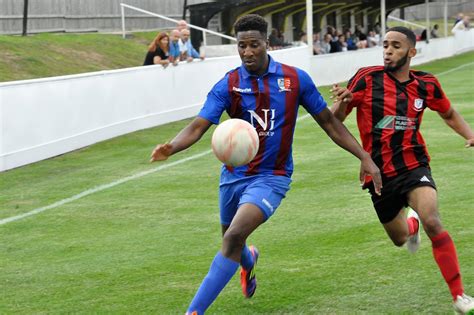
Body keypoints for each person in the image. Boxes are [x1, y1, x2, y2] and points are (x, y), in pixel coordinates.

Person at [150, 14, 382, 315]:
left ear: (267, 44)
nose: (248, 52)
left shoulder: (295, 79)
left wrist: (364, 156)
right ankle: (249, 262)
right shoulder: (229, 84)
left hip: (272, 176)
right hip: (233, 175)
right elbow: (198, 126)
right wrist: (172, 147)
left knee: (233, 237)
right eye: (242, 46)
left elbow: (329, 123)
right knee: (232, 240)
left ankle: (193, 312)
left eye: (254, 45)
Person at [330, 26, 474, 314]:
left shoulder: (426, 84)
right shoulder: (366, 79)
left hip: (414, 164)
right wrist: (341, 103)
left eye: (395, 46)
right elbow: (333, 122)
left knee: (433, 219)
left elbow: (448, 113)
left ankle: (459, 295)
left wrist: (470, 134)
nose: (388, 50)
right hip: (379, 174)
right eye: (385, 45)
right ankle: (412, 226)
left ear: (411, 52)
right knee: (399, 239)